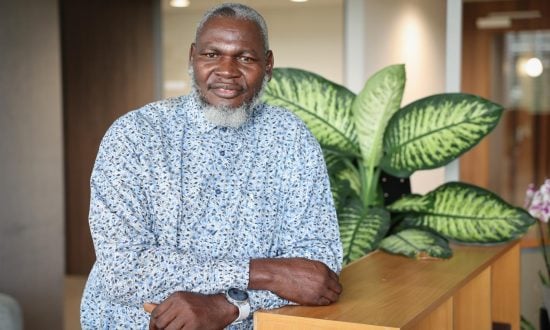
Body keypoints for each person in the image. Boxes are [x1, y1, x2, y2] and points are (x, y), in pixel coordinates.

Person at [80, 3, 343, 329]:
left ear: (269, 65)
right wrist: (266, 272)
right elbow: (124, 271)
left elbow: (317, 275)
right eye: (212, 54)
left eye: (245, 58)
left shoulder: (290, 138)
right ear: (192, 57)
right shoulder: (135, 135)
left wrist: (230, 306)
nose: (227, 70)